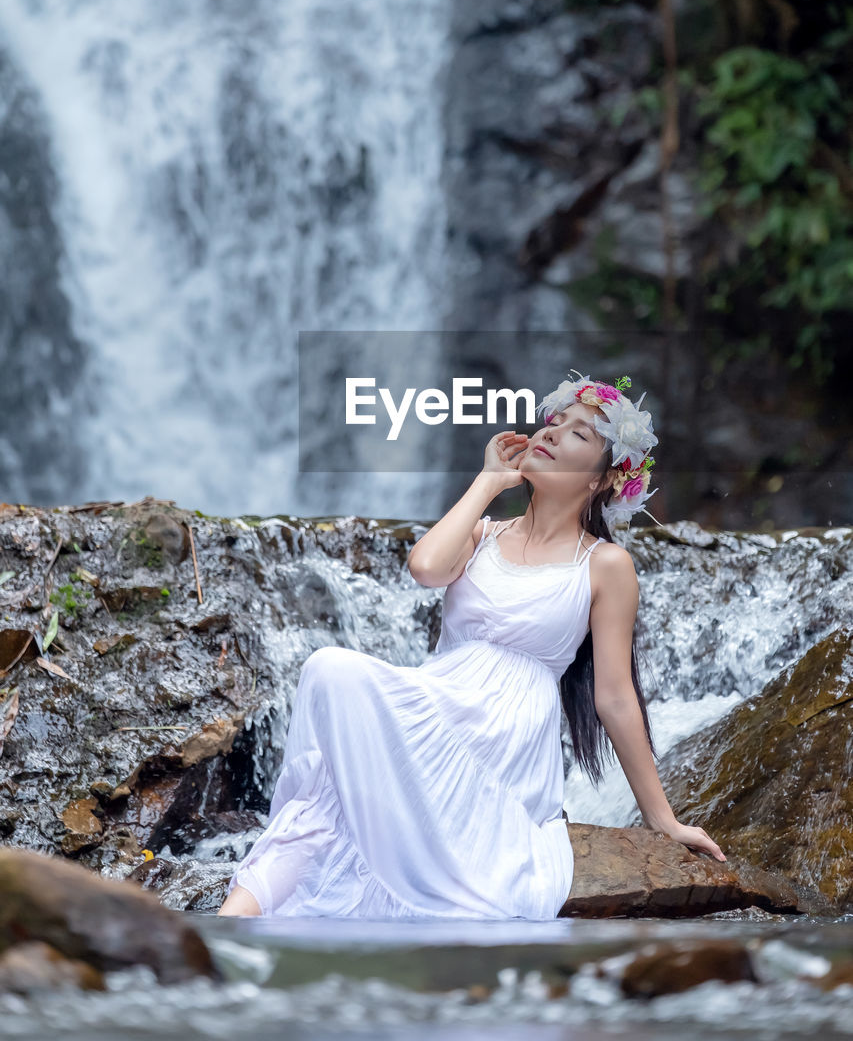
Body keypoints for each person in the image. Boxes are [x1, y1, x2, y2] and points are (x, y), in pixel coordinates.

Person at [218, 370, 725, 918]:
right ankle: (232, 924)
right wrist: (487, 483)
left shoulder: (606, 565)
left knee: (334, 727)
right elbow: (425, 567)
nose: (552, 432)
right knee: (329, 688)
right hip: (440, 698)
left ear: (602, 481)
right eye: (554, 422)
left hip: (505, 735)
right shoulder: (482, 534)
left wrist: (662, 819)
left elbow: (615, 698)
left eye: (579, 434)